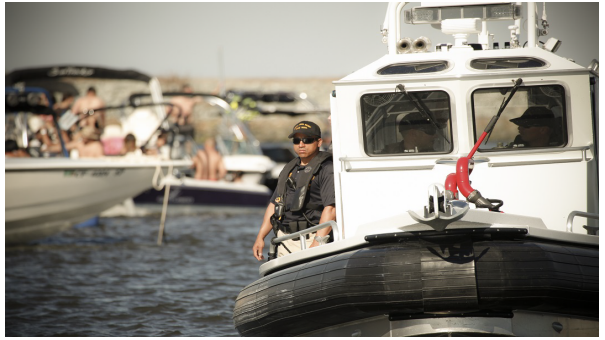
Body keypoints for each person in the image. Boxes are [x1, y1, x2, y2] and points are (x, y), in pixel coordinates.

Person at [253, 121, 336, 261]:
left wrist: (317, 243)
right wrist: (260, 237)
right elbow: (274, 204)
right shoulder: (289, 169)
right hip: (284, 239)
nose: (301, 144)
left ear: (319, 142)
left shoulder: (327, 169)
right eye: (297, 140)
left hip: (310, 239)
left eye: (307, 140)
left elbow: (331, 209)